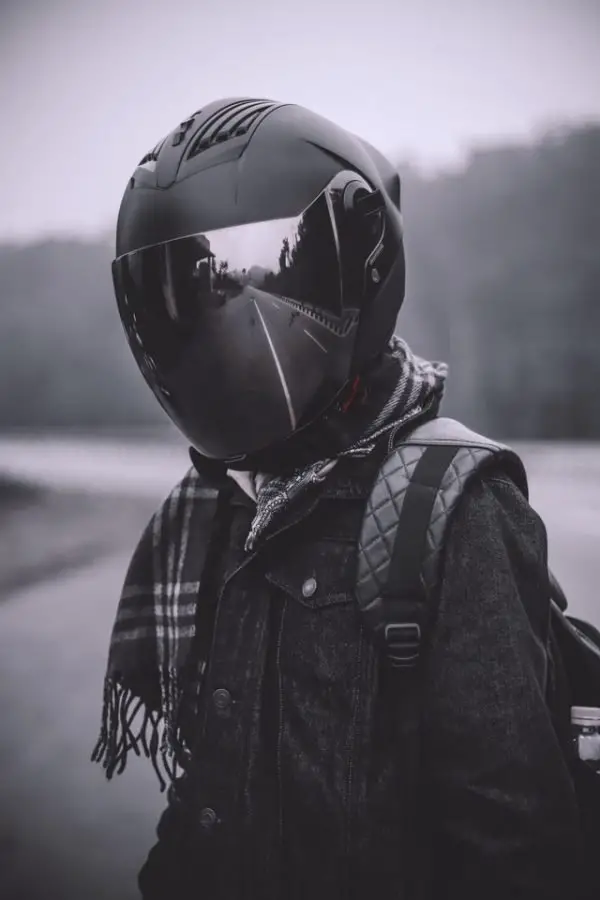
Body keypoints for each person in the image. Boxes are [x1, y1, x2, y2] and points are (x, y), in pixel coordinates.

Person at [93, 97, 586, 899]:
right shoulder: (222, 505)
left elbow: (517, 845)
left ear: (360, 268)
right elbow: (210, 794)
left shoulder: (453, 507)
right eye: (183, 293)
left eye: (252, 278)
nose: (218, 330)